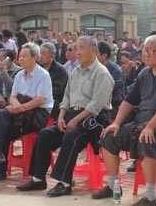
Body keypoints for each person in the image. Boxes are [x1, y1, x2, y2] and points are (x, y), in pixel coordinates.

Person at [95, 35, 156, 206]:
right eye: (145, 50)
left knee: (146, 140)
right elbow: (129, 101)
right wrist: (117, 123)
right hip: (143, 122)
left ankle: (151, 196)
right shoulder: (145, 73)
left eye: (150, 50)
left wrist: (150, 127)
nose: (146, 54)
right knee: (109, 137)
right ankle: (113, 186)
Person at [16, 36, 113, 197]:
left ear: (93, 50)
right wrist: (61, 117)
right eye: (76, 48)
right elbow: (66, 98)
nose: (77, 52)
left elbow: (95, 105)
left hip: (93, 120)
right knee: (45, 134)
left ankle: (65, 183)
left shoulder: (102, 73)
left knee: (70, 137)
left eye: (81, 48)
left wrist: (75, 120)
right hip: (71, 115)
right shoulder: (76, 72)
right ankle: (38, 178)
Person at [0, 43, 53, 182]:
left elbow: (40, 100)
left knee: (5, 130)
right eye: (20, 56)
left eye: (25, 56)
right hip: (20, 111)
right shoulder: (20, 75)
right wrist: (16, 106)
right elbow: (13, 96)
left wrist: (20, 108)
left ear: (34, 58)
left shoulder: (43, 75)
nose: (21, 59)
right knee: (0, 114)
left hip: (37, 114)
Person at [38, 42, 69, 119]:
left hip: (55, 105)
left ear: (52, 56)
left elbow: (55, 91)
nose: (40, 56)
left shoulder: (61, 71)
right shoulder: (38, 68)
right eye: (39, 53)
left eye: (43, 53)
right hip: (38, 100)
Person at [97, 40, 126, 119]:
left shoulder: (115, 70)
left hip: (114, 101)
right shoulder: (95, 68)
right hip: (99, 100)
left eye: (96, 53)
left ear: (104, 56)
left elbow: (111, 90)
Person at [0, 48, 21, 115]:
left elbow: (12, 87)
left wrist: (4, 72)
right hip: (0, 99)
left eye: (1, 57)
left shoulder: (19, 71)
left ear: (8, 59)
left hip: (13, 100)